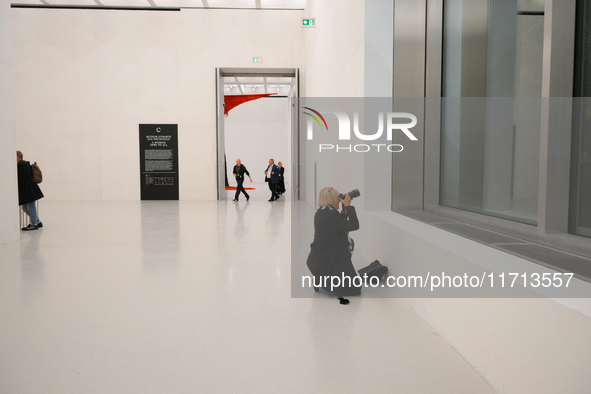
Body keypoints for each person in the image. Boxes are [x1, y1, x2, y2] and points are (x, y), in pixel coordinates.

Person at [306, 187, 361, 304]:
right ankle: (338, 282)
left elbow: (338, 225)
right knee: (356, 288)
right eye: (338, 198)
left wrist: (344, 210)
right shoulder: (331, 215)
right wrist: (349, 206)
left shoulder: (321, 212)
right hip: (330, 260)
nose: (340, 200)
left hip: (318, 258)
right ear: (331, 200)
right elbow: (354, 225)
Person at [16, 150, 44, 231]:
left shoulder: (21, 164)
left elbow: (24, 176)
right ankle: (37, 221)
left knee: (30, 206)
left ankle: (34, 223)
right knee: (25, 207)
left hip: (29, 189)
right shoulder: (22, 164)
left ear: (17, 157)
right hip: (27, 189)